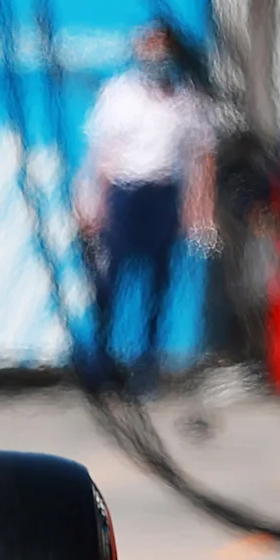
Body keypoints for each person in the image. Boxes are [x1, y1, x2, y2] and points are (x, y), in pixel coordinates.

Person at [71, 22, 218, 390]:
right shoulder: (119, 94)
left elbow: (203, 159)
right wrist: (93, 205)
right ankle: (100, 363)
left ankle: (147, 364)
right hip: (124, 195)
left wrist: (199, 211)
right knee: (110, 280)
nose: (156, 57)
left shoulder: (188, 100)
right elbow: (101, 156)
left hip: (164, 194)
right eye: (149, 48)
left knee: (158, 283)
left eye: (162, 49)